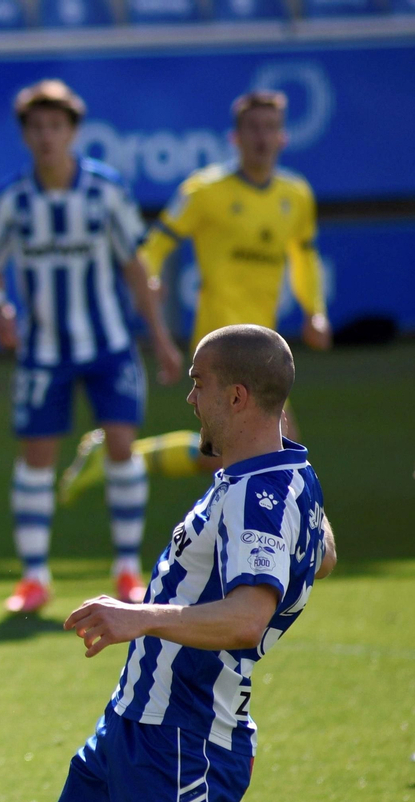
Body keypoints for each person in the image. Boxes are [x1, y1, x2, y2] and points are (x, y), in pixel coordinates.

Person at [22, 324, 340, 802]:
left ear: (235, 394)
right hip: (133, 727)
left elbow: (245, 617)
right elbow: (321, 554)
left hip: (183, 744)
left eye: (197, 383)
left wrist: (141, 616)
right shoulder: (276, 475)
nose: (188, 395)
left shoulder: (261, 494)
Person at [62, 90, 329, 504]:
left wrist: (315, 311)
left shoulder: (296, 195)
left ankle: (130, 460)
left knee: (241, 454)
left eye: (270, 128)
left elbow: (304, 257)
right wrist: (147, 278)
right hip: (219, 335)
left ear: (283, 138)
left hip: (266, 339)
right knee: (271, 447)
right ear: (234, 137)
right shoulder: (205, 191)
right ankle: (239, 545)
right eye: (252, 128)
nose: (261, 136)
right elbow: (156, 243)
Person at [0, 80, 182, 615]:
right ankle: (34, 577)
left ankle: (127, 568)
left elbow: (135, 266)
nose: (46, 136)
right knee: (37, 458)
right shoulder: (14, 199)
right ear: (25, 135)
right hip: (44, 351)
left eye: (56, 126)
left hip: (110, 345)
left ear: (72, 132)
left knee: (121, 446)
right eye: (36, 127)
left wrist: (160, 339)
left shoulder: (105, 191)